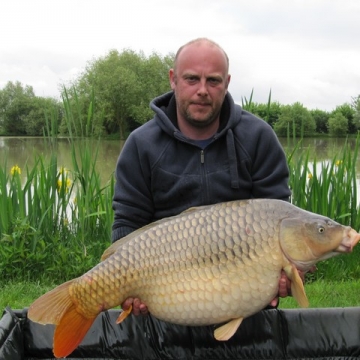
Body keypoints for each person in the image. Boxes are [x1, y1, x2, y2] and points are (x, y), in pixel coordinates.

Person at [112, 38, 293, 316]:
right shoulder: (141, 144)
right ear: (173, 79)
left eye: (213, 81)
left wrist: (284, 275)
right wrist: (125, 286)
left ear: (227, 82)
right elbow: (128, 220)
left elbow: (279, 218)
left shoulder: (258, 138)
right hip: (166, 288)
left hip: (242, 296)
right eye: (192, 79)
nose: (202, 90)